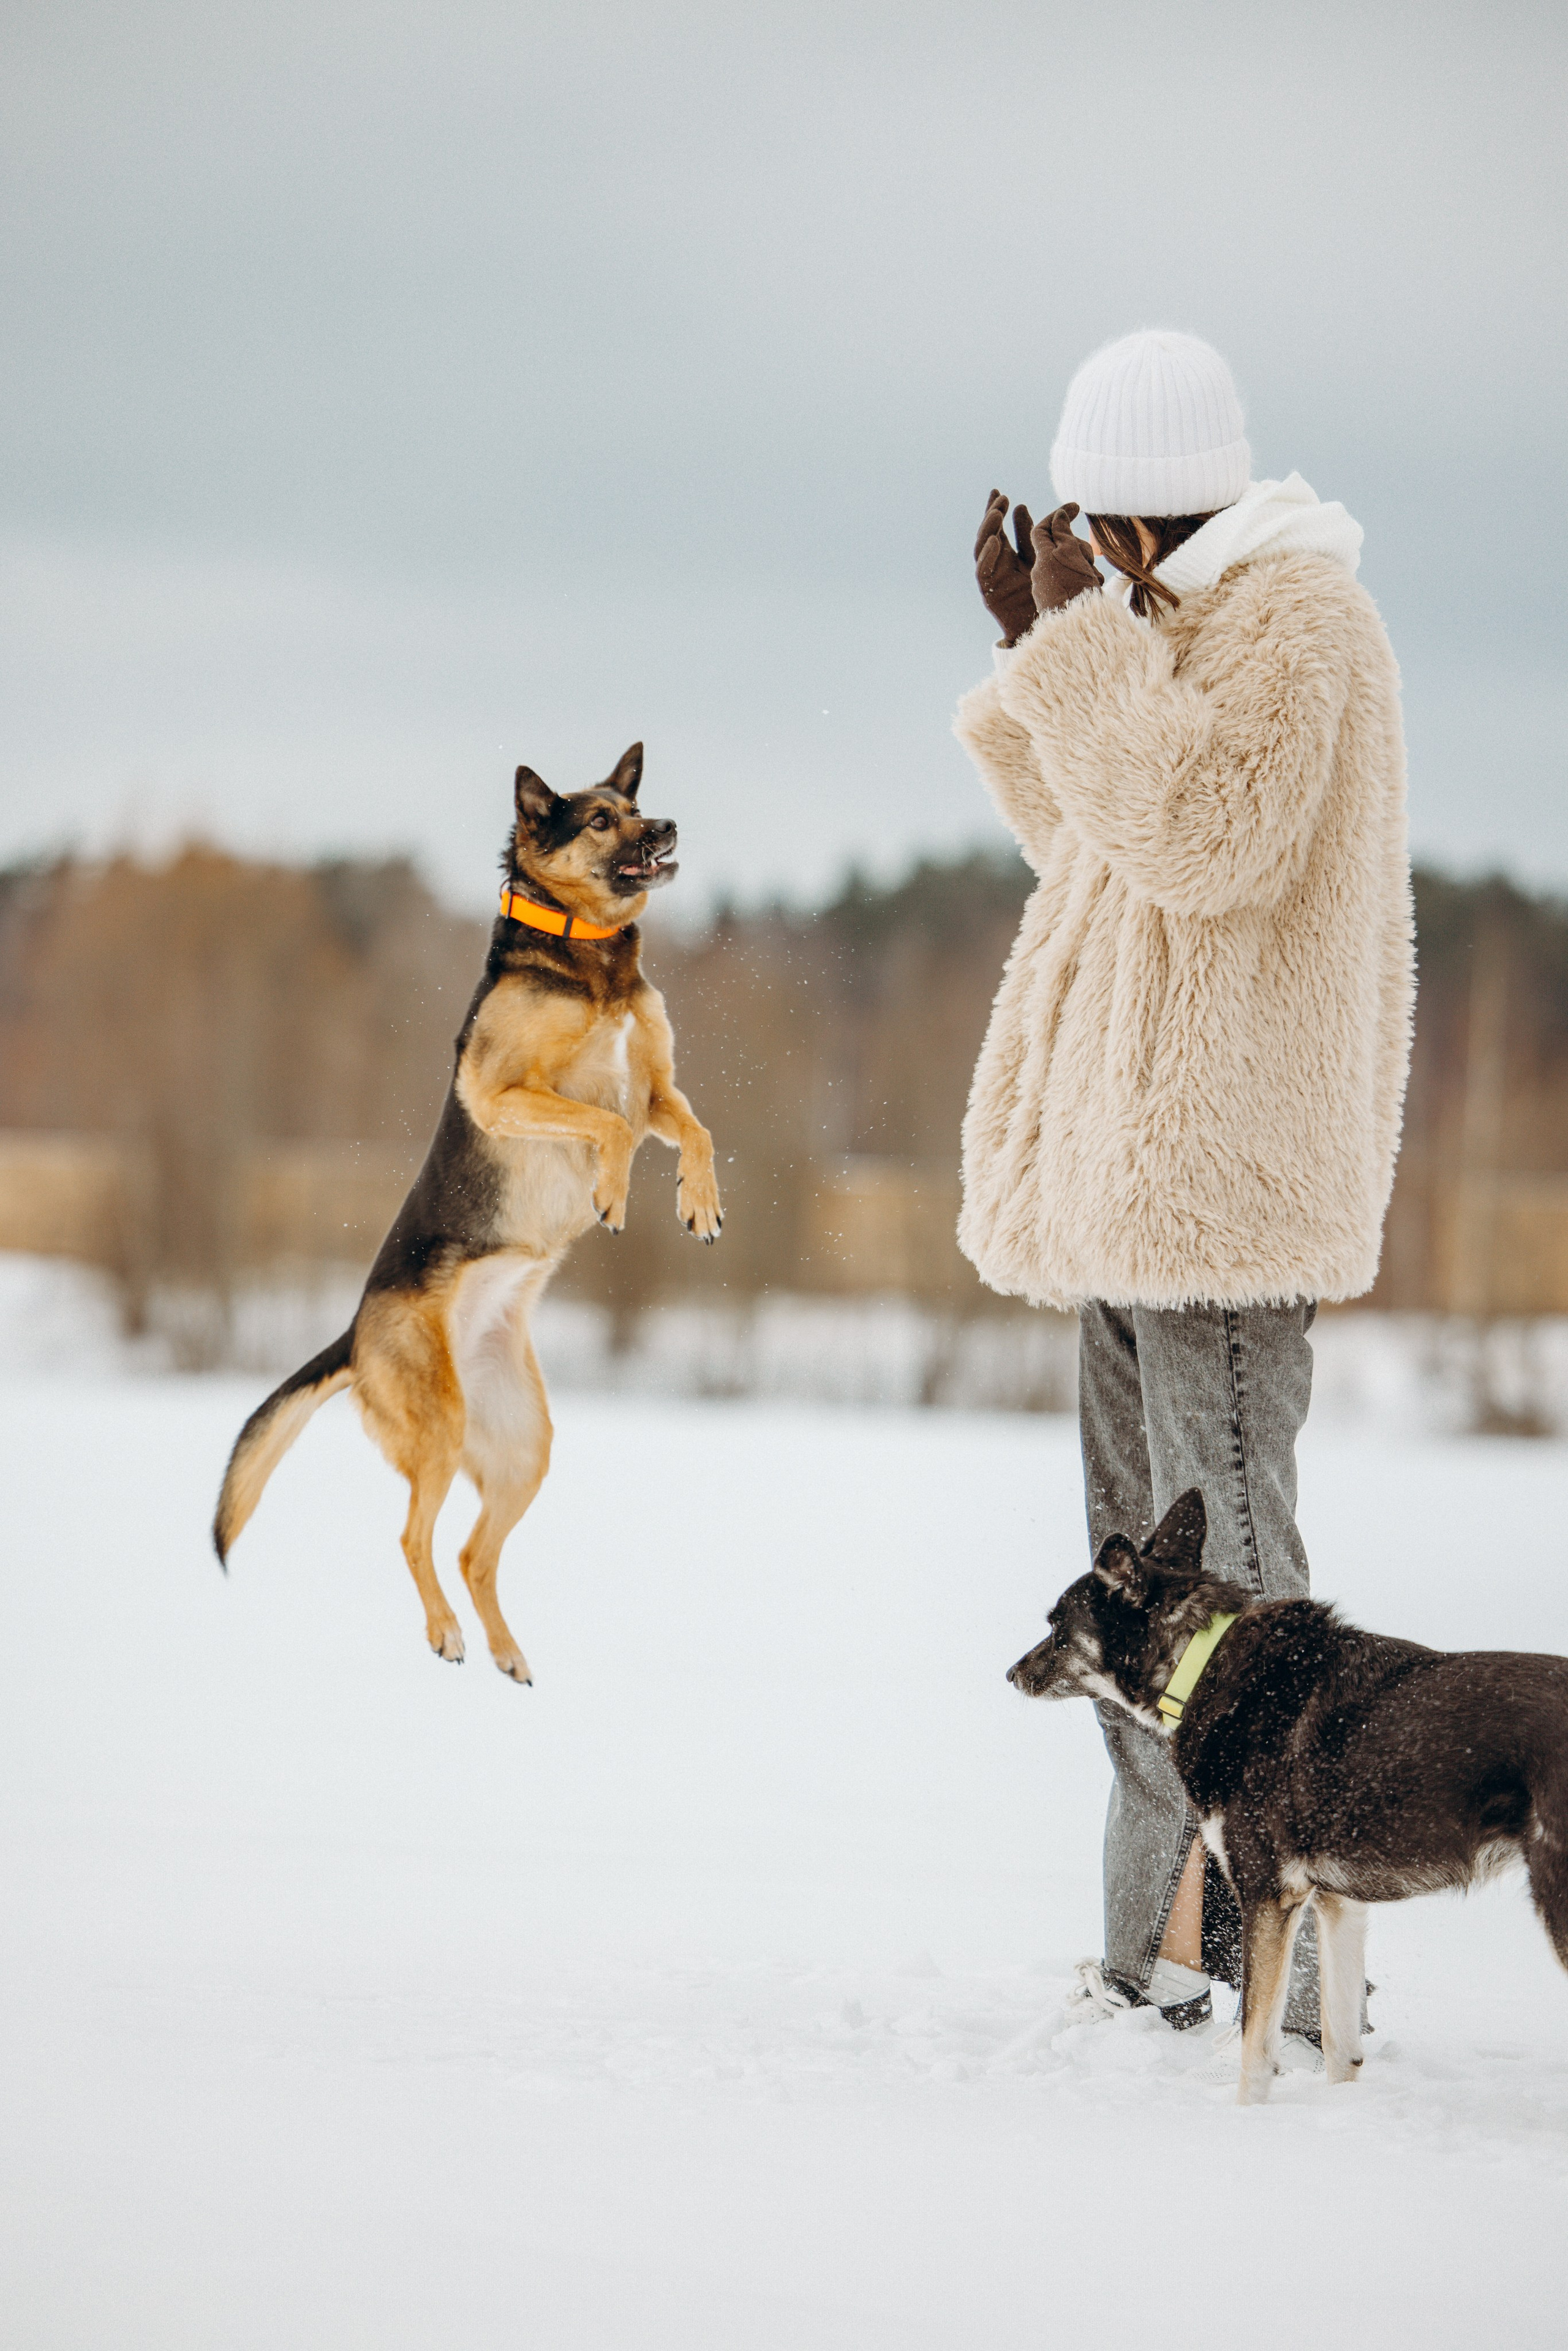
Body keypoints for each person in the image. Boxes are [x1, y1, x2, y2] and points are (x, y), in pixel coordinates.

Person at [956, 329, 1412, 2037]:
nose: (1081, 553)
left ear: (1140, 515)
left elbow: (1210, 837)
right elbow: (1097, 850)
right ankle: (1157, 1948)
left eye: (1092, 528)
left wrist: (1083, 647)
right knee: (1129, 1601)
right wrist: (1041, 654)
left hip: (1218, 1203)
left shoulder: (1301, 622)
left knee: (1249, 1626)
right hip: (1126, 1203)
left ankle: (1292, 1989)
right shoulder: (1172, 630)